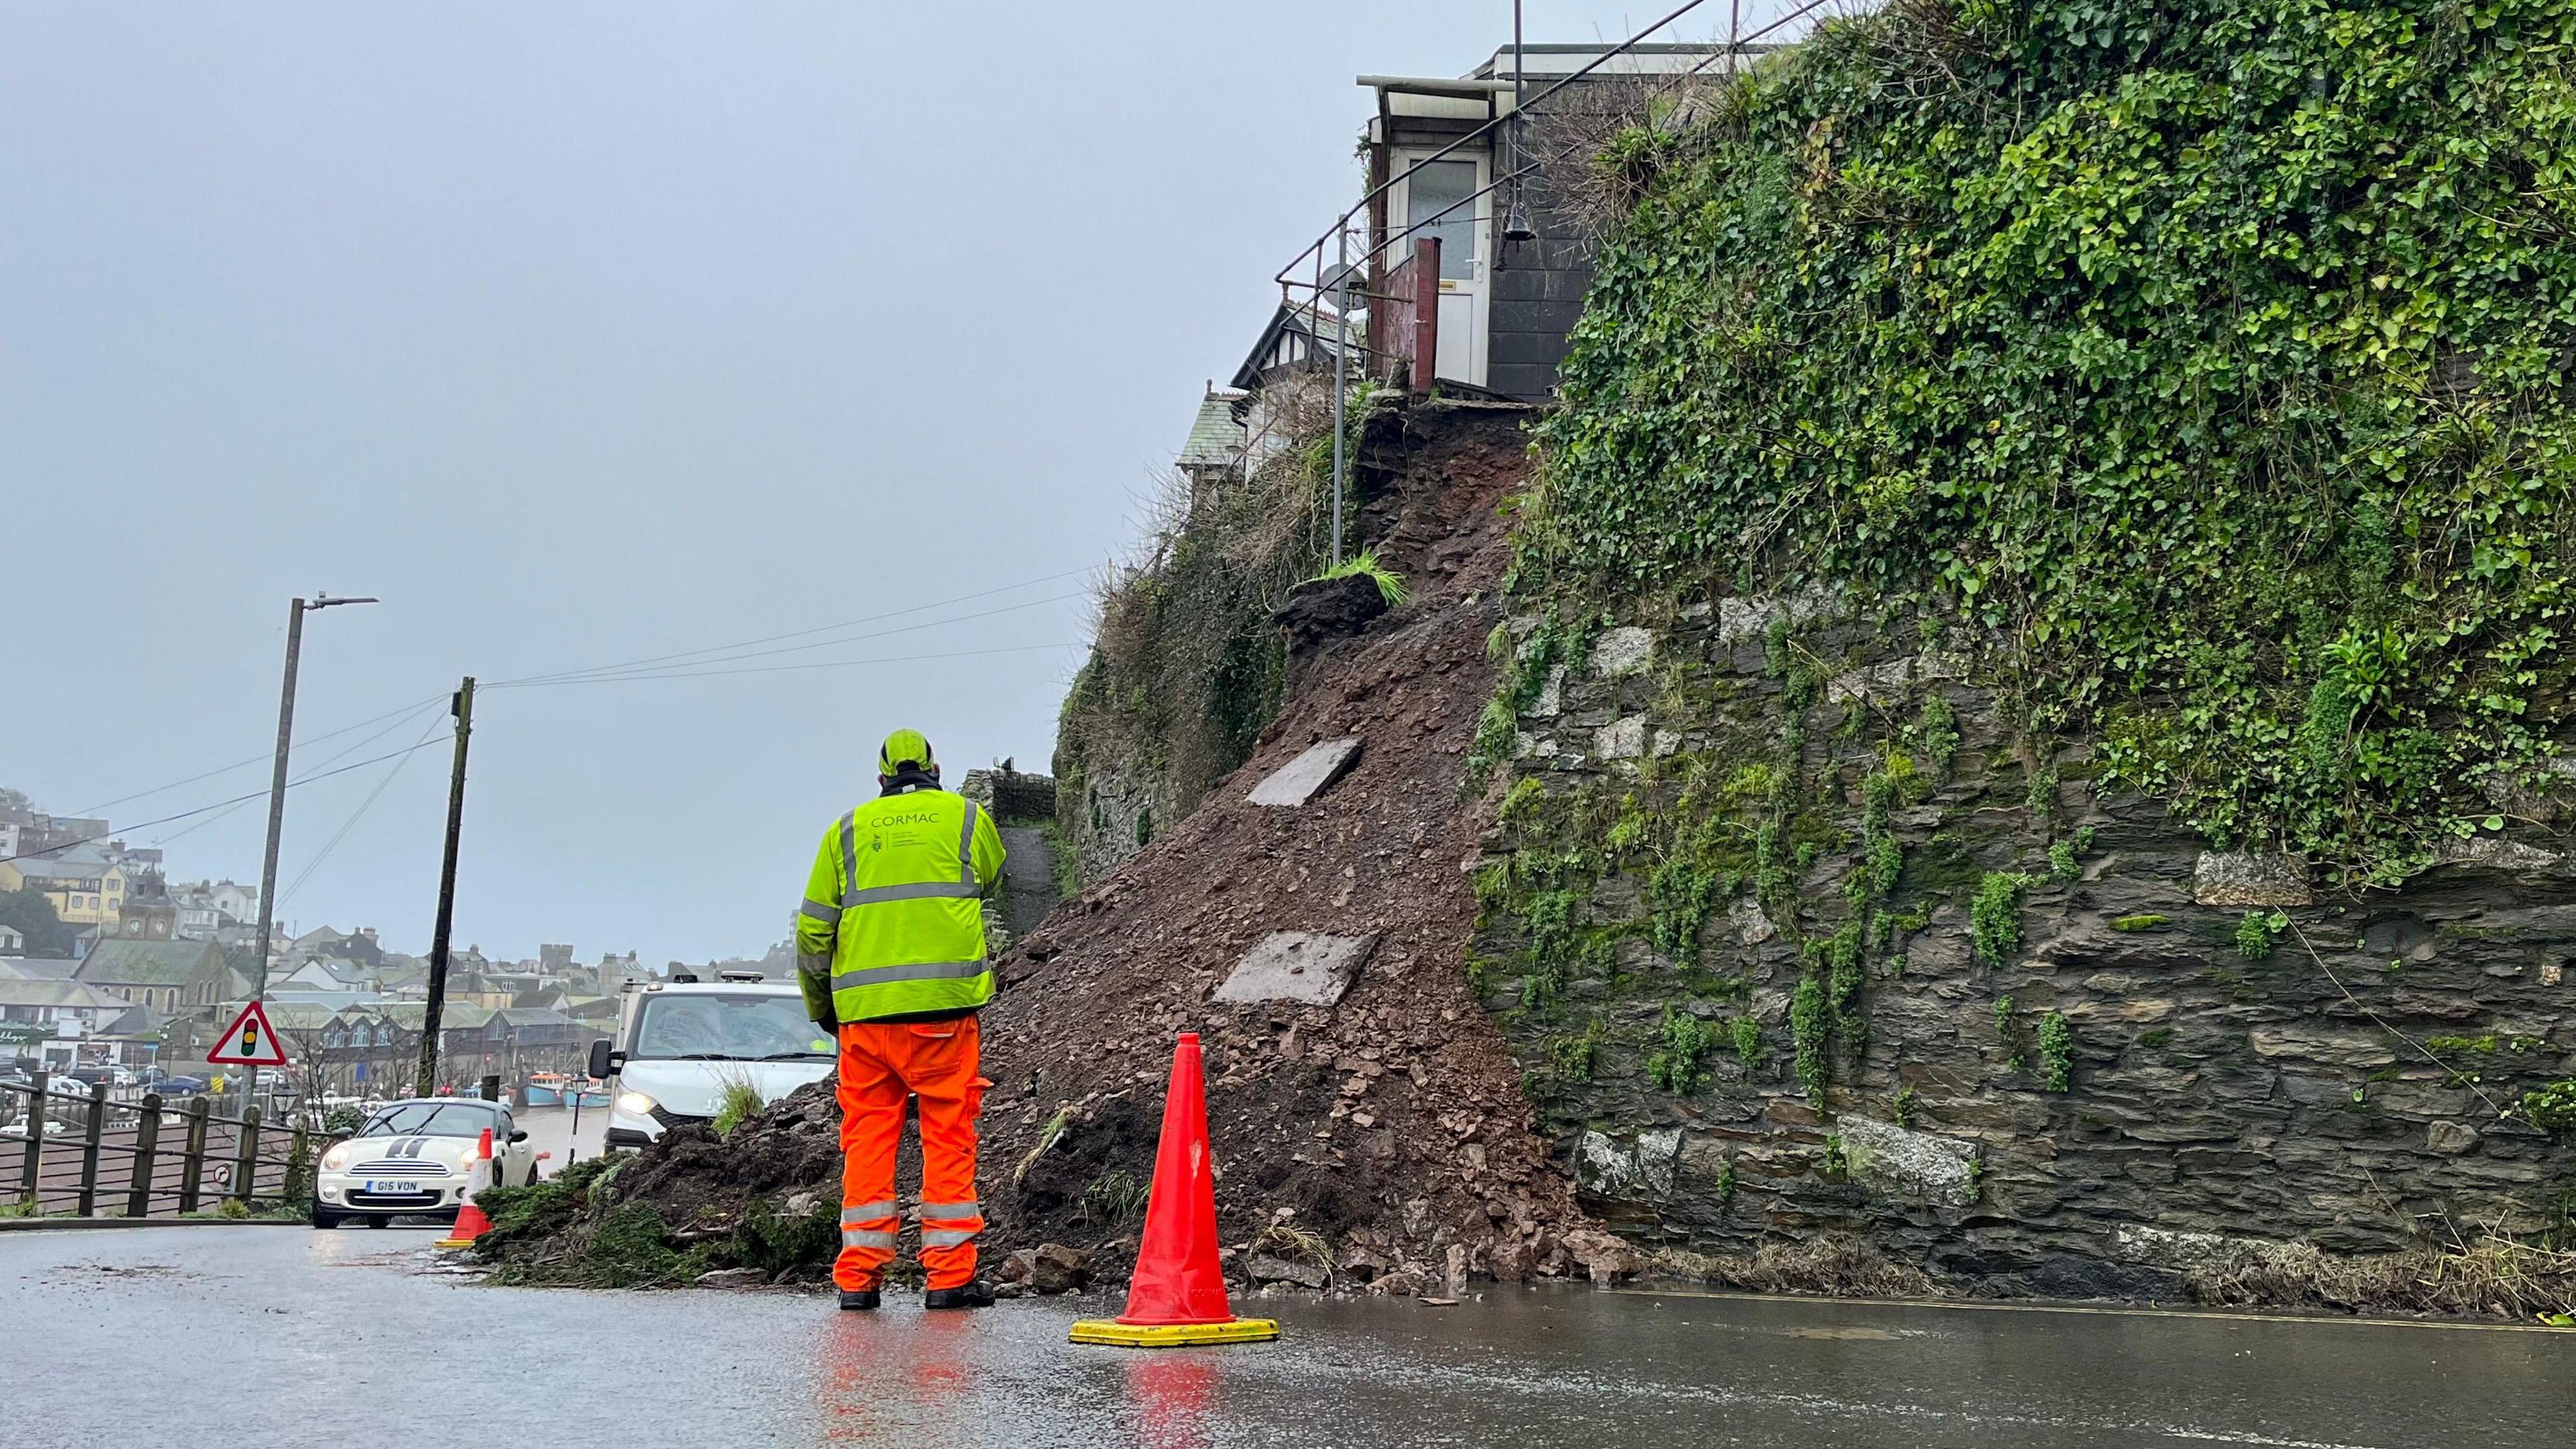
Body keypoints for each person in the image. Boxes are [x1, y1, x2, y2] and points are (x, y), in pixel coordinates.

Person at [794, 728, 1006, 1311]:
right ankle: (948, 1278)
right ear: (935, 769)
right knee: (948, 1134)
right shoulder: (966, 818)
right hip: (943, 1014)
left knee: (867, 1139)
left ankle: (858, 1281)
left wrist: (823, 1007)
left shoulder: (846, 832)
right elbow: (989, 880)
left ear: (881, 777)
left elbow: (814, 931)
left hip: (864, 1023)